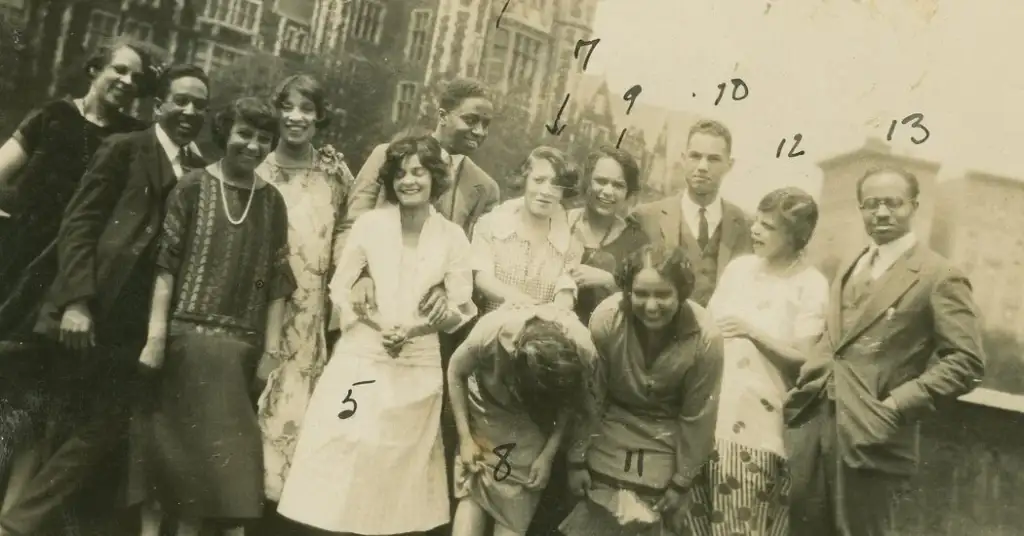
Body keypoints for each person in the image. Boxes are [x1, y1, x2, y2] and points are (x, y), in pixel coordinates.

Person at [0, 63, 210, 536]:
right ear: (160, 105)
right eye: (180, 99)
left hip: (141, 325)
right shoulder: (125, 148)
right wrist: (76, 302)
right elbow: (79, 225)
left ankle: (18, 523)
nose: (189, 110)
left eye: (199, 104)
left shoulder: (198, 171)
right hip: (92, 312)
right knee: (53, 419)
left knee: (106, 424)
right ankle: (18, 522)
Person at [277, 134, 477, 535]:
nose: (409, 181)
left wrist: (420, 326)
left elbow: (462, 307)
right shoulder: (370, 224)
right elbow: (339, 288)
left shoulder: (452, 236)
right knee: (346, 451)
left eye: (419, 172)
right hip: (362, 355)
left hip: (416, 364)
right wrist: (372, 316)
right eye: (401, 173)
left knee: (394, 471)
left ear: (435, 178)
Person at [784, 167, 985, 536]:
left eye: (893, 203)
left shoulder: (939, 275)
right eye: (871, 204)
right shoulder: (853, 264)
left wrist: (895, 405)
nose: (881, 213)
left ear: (914, 207)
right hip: (817, 431)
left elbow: (967, 362)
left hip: (873, 438)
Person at [134, 97, 294, 536]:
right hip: (185, 342)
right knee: (174, 460)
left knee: (222, 473)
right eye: (245, 133)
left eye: (264, 138)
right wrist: (156, 337)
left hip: (239, 351)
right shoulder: (190, 187)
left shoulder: (273, 203)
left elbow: (276, 283)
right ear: (226, 132)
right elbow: (166, 267)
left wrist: (271, 352)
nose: (253, 145)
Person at [559, 245, 725, 536]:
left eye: (663, 295)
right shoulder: (607, 319)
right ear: (627, 291)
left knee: (654, 516)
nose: (651, 306)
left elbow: (698, 414)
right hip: (610, 426)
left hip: (668, 434)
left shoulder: (705, 337)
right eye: (641, 294)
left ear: (682, 293)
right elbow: (591, 395)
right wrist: (576, 459)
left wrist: (681, 482)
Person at [254, 73, 356, 507]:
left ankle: (282, 507)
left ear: (319, 117)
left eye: (306, 110)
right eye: (288, 108)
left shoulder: (334, 171)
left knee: (298, 401)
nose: (296, 117)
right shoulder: (258, 166)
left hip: (311, 307)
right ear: (277, 112)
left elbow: (350, 227)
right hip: (259, 302)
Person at [703, 187, 827, 535]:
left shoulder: (811, 284)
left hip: (760, 428)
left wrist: (751, 332)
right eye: (757, 221)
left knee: (742, 523)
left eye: (768, 226)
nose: (755, 230)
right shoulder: (740, 269)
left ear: (795, 237)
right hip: (711, 413)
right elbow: (706, 329)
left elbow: (805, 359)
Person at [448, 303, 600, 536]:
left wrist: (548, 453)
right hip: (489, 406)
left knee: (517, 501)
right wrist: (466, 438)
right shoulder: (490, 332)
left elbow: (572, 402)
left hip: (535, 424)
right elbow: (456, 371)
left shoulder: (583, 349)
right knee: (473, 487)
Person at [631, 119, 752, 307]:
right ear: (683, 158)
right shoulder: (646, 217)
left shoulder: (745, 225)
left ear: (729, 165)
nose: (702, 166)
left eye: (713, 159)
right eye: (695, 156)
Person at [471, 146, 583, 313]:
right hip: (496, 323)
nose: (546, 191)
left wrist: (557, 310)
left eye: (556, 185)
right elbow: (482, 277)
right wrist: (520, 301)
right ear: (524, 180)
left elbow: (566, 287)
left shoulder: (569, 237)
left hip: (543, 327)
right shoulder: (491, 224)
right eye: (538, 181)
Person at [566, 146, 650, 325]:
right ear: (587, 182)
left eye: (618, 185)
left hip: (609, 335)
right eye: (601, 181)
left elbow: (647, 301)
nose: (608, 191)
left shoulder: (636, 241)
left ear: (628, 192)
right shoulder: (561, 223)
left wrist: (609, 281)